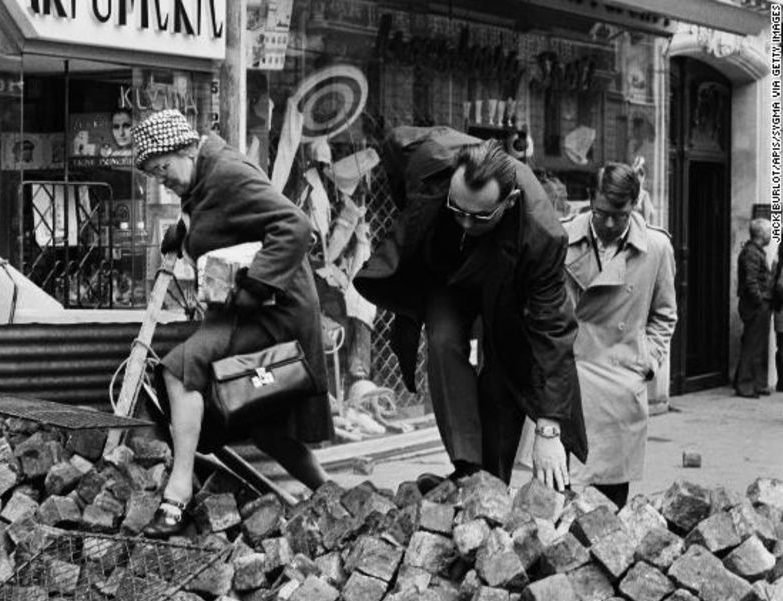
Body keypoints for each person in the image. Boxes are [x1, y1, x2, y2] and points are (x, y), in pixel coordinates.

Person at [130, 110, 331, 537]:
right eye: (154, 175)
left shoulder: (226, 172)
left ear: (183, 148)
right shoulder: (202, 178)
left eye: (162, 169)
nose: (162, 180)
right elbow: (230, 224)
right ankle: (334, 498)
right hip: (248, 307)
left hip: (275, 308)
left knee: (181, 367)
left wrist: (256, 286)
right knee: (264, 426)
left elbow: (295, 226)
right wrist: (184, 235)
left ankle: (177, 492)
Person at [354, 127, 587, 491]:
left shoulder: (543, 236)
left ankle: (493, 483)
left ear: (508, 202)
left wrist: (549, 427)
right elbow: (394, 144)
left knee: (502, 381)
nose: (464, 222)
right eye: (456, 209)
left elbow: (554, 332)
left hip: (506, 289)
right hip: (447, 276)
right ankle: (467, 470)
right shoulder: (428, 158)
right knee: (444, 340)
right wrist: (414, 211)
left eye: (478, 217)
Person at [562, 163, 676, 508]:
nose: (610, 223)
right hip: (570, 379)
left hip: (620, 383)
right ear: (589, 201)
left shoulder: (655, 248)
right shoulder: (561, 238)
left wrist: (646, 362)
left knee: (611, 505)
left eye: (621, 215)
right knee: (560, 499)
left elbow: (664, 314)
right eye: (602, 213)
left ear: (635, 206)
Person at [734, 219, 774, 397]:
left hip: (758, 304)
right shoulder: (751, 253)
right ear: (761, 234)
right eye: (769, 231)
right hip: (755, 305)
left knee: (755, 344)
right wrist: (760, 301)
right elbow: (751, 282)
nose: (771, 235)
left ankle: (754, 383)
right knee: (752, 345)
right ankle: (745, 385)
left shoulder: (756, 252)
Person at [773, 255, 783, 392]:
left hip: (779, 311)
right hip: (782, 310)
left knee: (780, 347)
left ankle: (781, 382)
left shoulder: (777, 263)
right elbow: (780, 286)